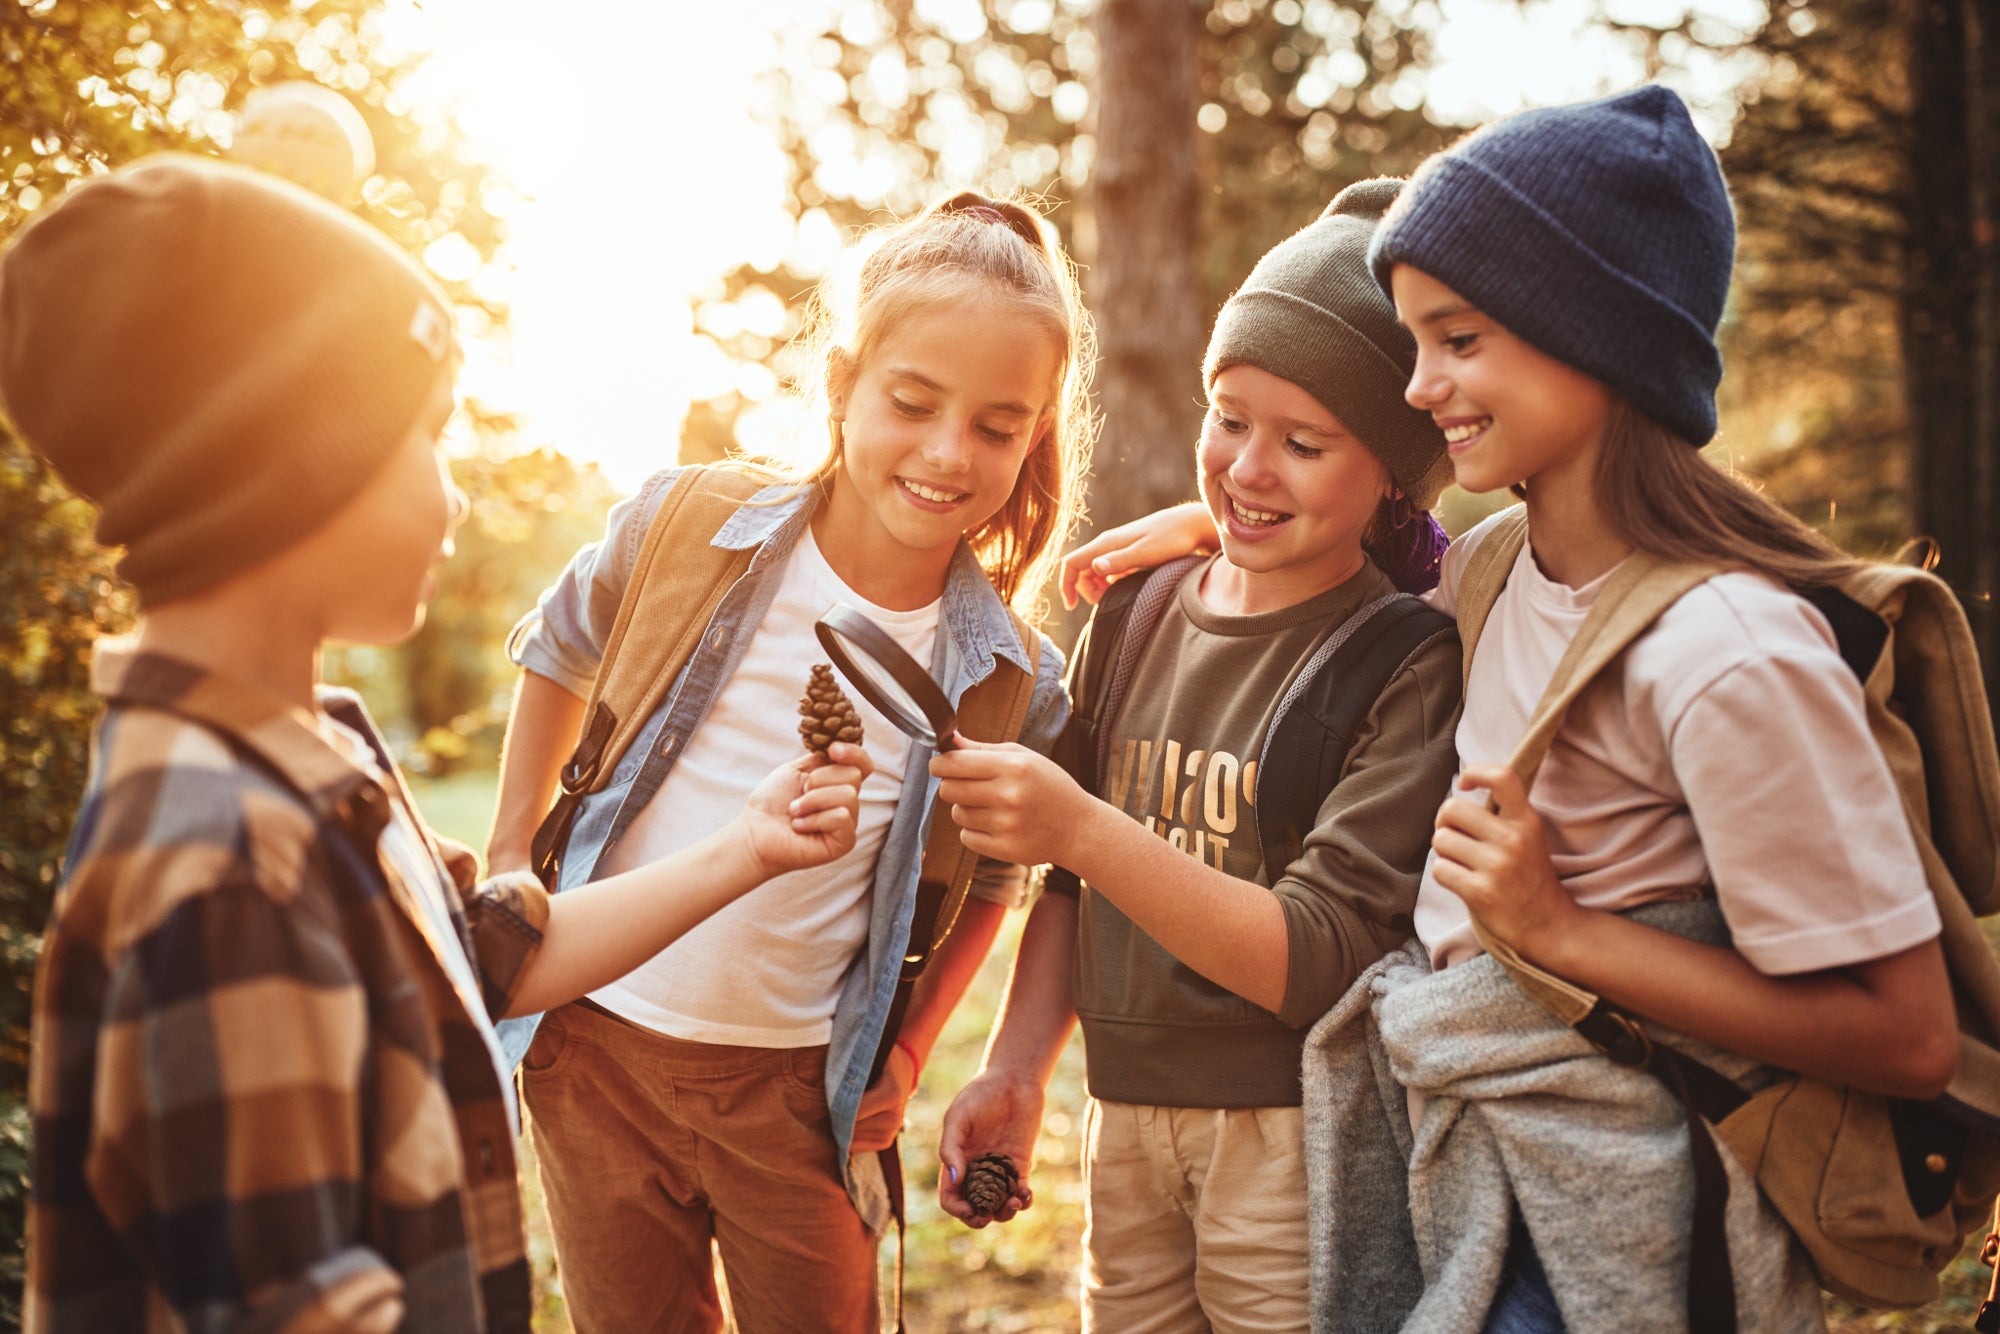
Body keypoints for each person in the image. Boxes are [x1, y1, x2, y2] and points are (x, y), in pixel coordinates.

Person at [1059, 86, 1959, 1333]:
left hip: (1607, 1223)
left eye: (1455, 339)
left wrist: (1560, 928)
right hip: (1461, 1171)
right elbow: (1373, 535)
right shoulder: (1489, 570)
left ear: (1591, 336)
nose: (1419, 387)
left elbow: (1908, 1036)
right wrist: (1218, 527)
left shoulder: (1726, 650)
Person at [2, 154, 868, 1333]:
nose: (455, 498)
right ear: (289, 459)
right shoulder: (222, 863)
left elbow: (486, 953)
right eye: (426, 438)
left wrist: (747, 847)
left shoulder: (308, 757)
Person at [483, 192, 1093, 1331]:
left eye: (998, 426)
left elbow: (996, 881)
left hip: (801, 1089)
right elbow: (557, 650)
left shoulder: (1012, 676)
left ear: (1034, 435)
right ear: (840, 386)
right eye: (911, 402)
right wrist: (515, 853)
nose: (947, 452)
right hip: (593, 1047)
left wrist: (907, 1051)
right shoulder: (683, 527)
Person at [932, 179, 1463, 1332]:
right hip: (1119, 1117)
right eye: (1227, 416)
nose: (1245, 468)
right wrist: (1019, 1068)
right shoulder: (1141, 607)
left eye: (1303, 441)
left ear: (1388, 472)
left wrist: (1080, 822)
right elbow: (1068, 886)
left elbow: (1319, 952)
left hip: (1287, 1135)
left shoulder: (1400, 660)